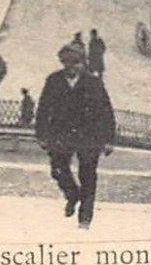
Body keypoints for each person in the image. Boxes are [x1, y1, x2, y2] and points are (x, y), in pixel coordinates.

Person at [35, 42, 116, 228]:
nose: (71, 67)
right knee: (57, 170)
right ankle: (72, 195)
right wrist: (41, 134)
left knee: (88, 175)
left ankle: (85, 219)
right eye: (66, 62)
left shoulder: (93, 83)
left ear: (83, 62)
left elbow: (106, 111)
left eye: (76, 62)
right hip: (60, 134)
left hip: (89, 136)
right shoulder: (53, 80)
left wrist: (109, 139)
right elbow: (43, 108)